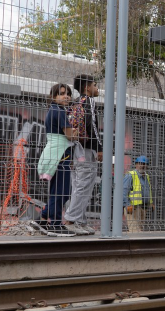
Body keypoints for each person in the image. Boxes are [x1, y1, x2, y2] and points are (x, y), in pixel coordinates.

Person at [31, 83, 78, 237]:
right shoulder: (59, 111)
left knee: (60, 191)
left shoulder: (54, 110)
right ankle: (55, 224)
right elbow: (71, 135)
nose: (66, 96)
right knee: (61, 192)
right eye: (61, 93)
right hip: (61, 155)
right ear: (53, 96)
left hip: (57, 154)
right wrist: (77, 131)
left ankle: (43, 218)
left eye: (68, 94)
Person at [62, 74, 102, 236]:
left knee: (78, 186)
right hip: (85, 150)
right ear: (87, 88)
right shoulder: (89, 101)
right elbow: (91, 124)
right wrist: (99, 147)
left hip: (74, 149)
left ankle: (80, 221)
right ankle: (71, 220)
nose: (97, 88)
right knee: (84, 186)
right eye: (95, 85)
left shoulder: (75, 103)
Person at [123, 156, 153, 233]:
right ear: (136, 164)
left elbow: (148, 190)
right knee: (135, 231)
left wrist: (151, 202)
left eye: (145, 164)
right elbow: (124, 191)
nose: (143, 166)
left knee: (139, 230)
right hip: (133, 208)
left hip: (143, 207)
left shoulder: (146, 176)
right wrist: (127, 204)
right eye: (140, 163)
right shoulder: (130, 175)